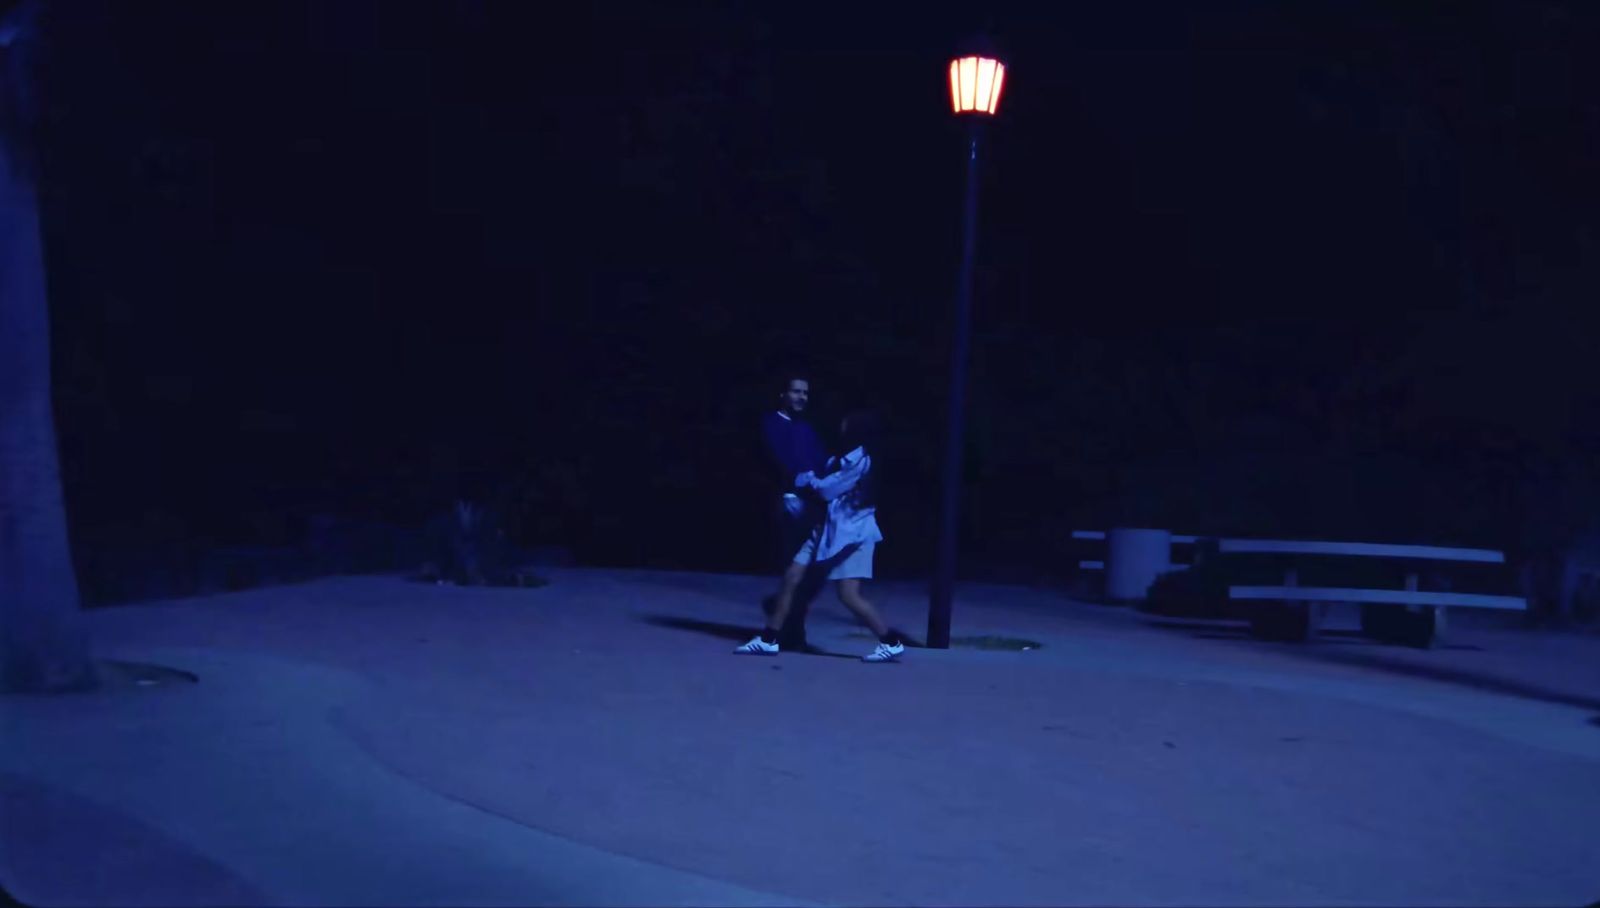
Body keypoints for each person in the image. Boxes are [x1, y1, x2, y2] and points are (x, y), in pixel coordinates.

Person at [738, 409, 905, 662]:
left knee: (848, 595)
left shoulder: (860, 461)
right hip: (827, 530)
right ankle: (768, 639)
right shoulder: (842, 457)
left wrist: (809, 481)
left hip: (852, 536)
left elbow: (829, 490)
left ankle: (890, 641)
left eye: (846, 423)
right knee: (791, 577)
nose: (841, 426)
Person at [759, 376, 828, 647]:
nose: (801, 397)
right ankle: (792, 631)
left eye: (805, 393)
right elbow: (772, 460)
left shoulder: (806, 428)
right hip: (789, 502)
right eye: (796, 392)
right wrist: (787, 489)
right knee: (794, 568)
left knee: (810, 571)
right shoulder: (771, 424)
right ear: (783, 394)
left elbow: (820, 461)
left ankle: (787, 621)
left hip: (811, 504)